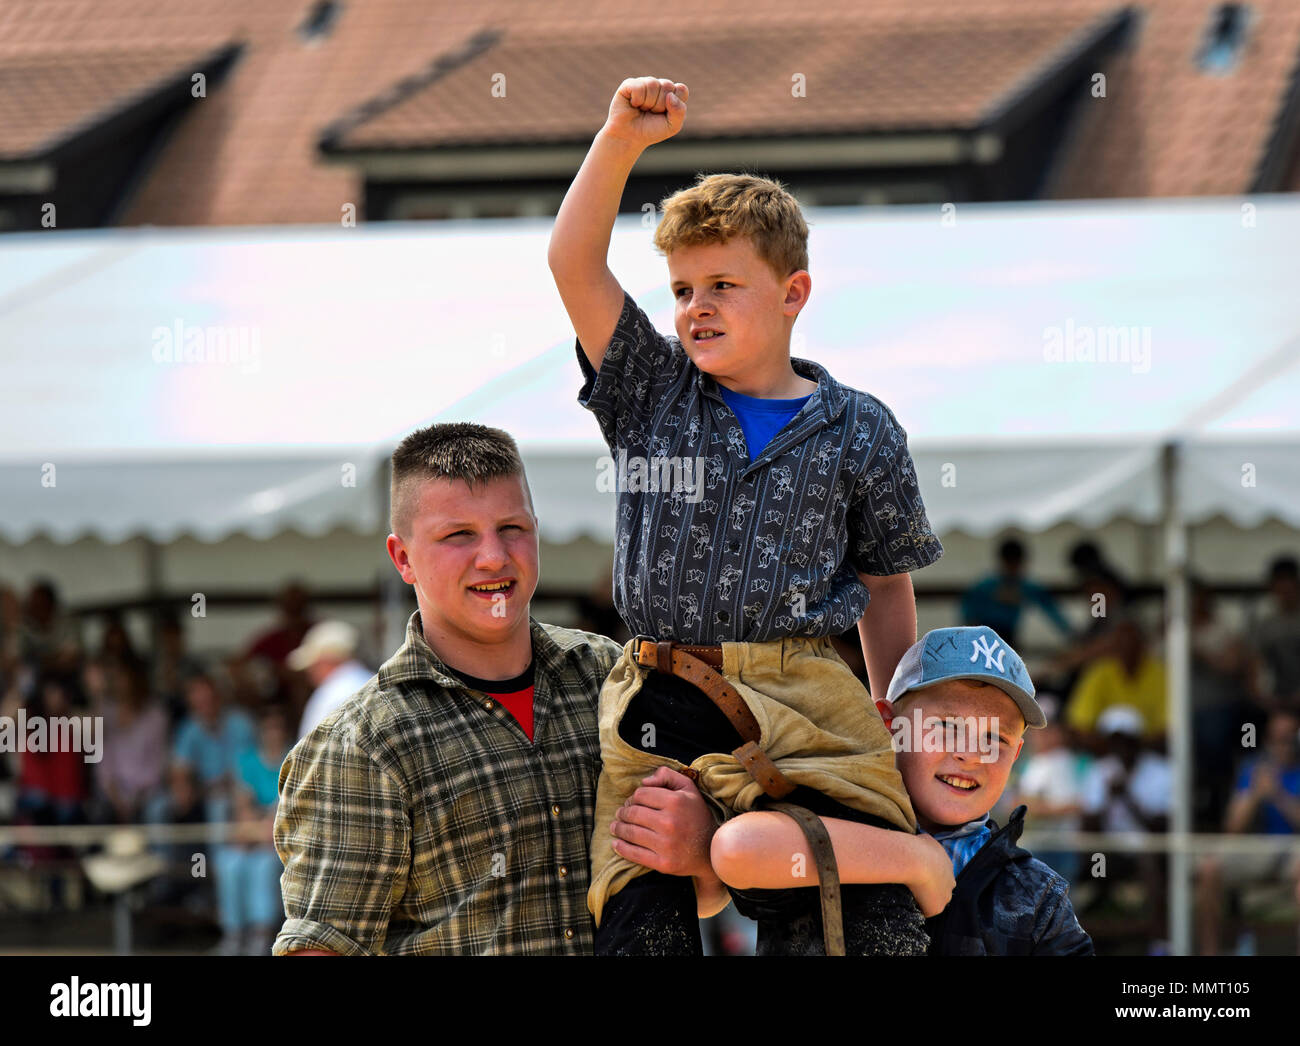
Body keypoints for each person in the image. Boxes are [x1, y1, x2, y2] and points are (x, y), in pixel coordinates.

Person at [550, 76, 944, 954]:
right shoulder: (650, 391)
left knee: (864, 921)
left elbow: (886, 588)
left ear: (793, 293)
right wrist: (619, 140)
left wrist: (890, 709)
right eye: (683, 289)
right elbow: (575, 263)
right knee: (640, 915)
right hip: (663, 690)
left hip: (812, 700)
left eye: (723, 284)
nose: (697, 307)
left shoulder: (863, 428)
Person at [273, 423, 720, 955]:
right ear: (403, 558)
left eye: (512, 527)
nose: (493, 556)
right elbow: (322, 947)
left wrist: (701, 851)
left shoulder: (613, 677)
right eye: (458, 534)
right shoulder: (363, 744)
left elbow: (694, 895)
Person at [707, 625, 1094, 955]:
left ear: (1017, 755)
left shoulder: (1037, 896)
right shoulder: (838, 828)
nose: (971, 756)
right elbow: (738, 848)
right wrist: (913, 859)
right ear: (888, 725)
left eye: (995, 738)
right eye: (946, 727)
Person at [1195, 709, 1300, 954]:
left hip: (1295, 848)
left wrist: (1278, 796)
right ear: (1267, 740)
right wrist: (1254, 794)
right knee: (1209, 867)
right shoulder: (1254, 768)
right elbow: (1232, 828)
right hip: (1257, 847)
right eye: (1277, 739)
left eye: (1289, 739)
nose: (1283, 745)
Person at [960, 537, 1072, 649]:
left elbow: (1051, 610)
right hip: (983, 634)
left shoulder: (1026, 586)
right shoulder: (986, 586)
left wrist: (1070, 633)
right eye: (1010, 563)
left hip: (1007, 635)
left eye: (1015, 563)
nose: (1013, 568)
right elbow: (968, 612)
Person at [287, 620, 374, 738]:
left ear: (325, 660)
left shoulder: (330, 694)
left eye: (313, 665)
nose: (309, 673)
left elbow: (313, 752)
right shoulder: (372, 680)